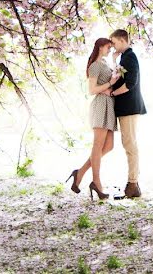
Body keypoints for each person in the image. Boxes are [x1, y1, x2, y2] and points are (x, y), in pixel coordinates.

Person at [66, 38, 119, 200]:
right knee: (98, 145)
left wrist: (115, 63)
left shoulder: (104, 63)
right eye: (108, 47)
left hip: (109, 105)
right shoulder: (95, 65)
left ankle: (80, 172)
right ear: (101, 47)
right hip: (100, 106)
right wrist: (109, 83)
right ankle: (96, 182)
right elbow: (92, 89)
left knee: (108, 146)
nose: (110, 50)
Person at [107, 29, 146, 199]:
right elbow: (119, 77)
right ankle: (132, 183)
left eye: (114, 42)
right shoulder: (124, 57)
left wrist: (113, 94)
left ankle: (133, 184)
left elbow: (130, 83)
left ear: (123, 41)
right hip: (126, 108)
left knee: (130, 144)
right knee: (128, 143)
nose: (113, 46)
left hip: (130, 107)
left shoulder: (130, 57)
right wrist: (114, 60)